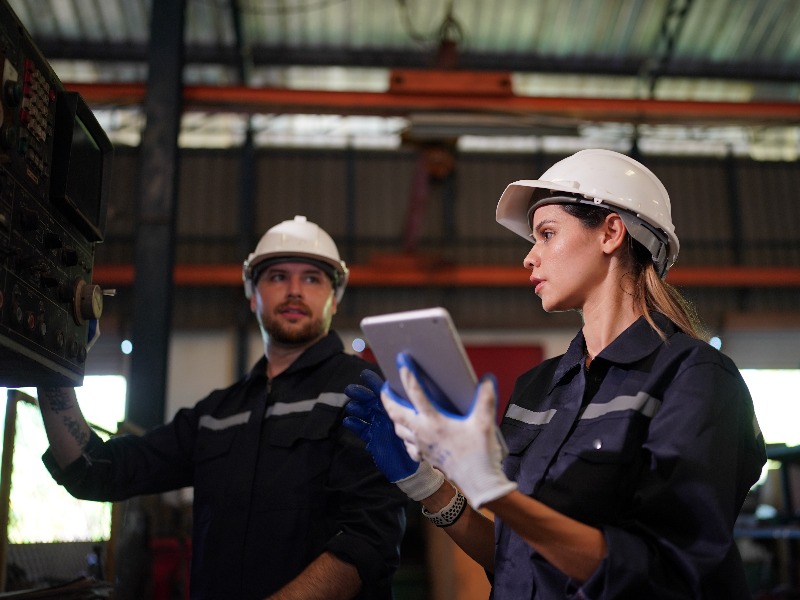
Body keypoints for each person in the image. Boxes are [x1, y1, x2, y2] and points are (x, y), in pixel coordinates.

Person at [344, 149, 767, 599]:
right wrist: (426, 485)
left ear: (609, 232)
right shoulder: (539, 388)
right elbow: (516, 563)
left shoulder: (696, 380)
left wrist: (492, 489)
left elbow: (660, 575)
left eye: (546, 233)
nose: (529, 258)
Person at [37, 215, 408, 600]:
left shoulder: (362, 395)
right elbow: (97, 471)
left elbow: (370, 540)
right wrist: (54, 363)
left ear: (335, 297)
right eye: (278, 277)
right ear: (253, 294)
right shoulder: (217, 414)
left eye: (313, 278)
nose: (295, 290)